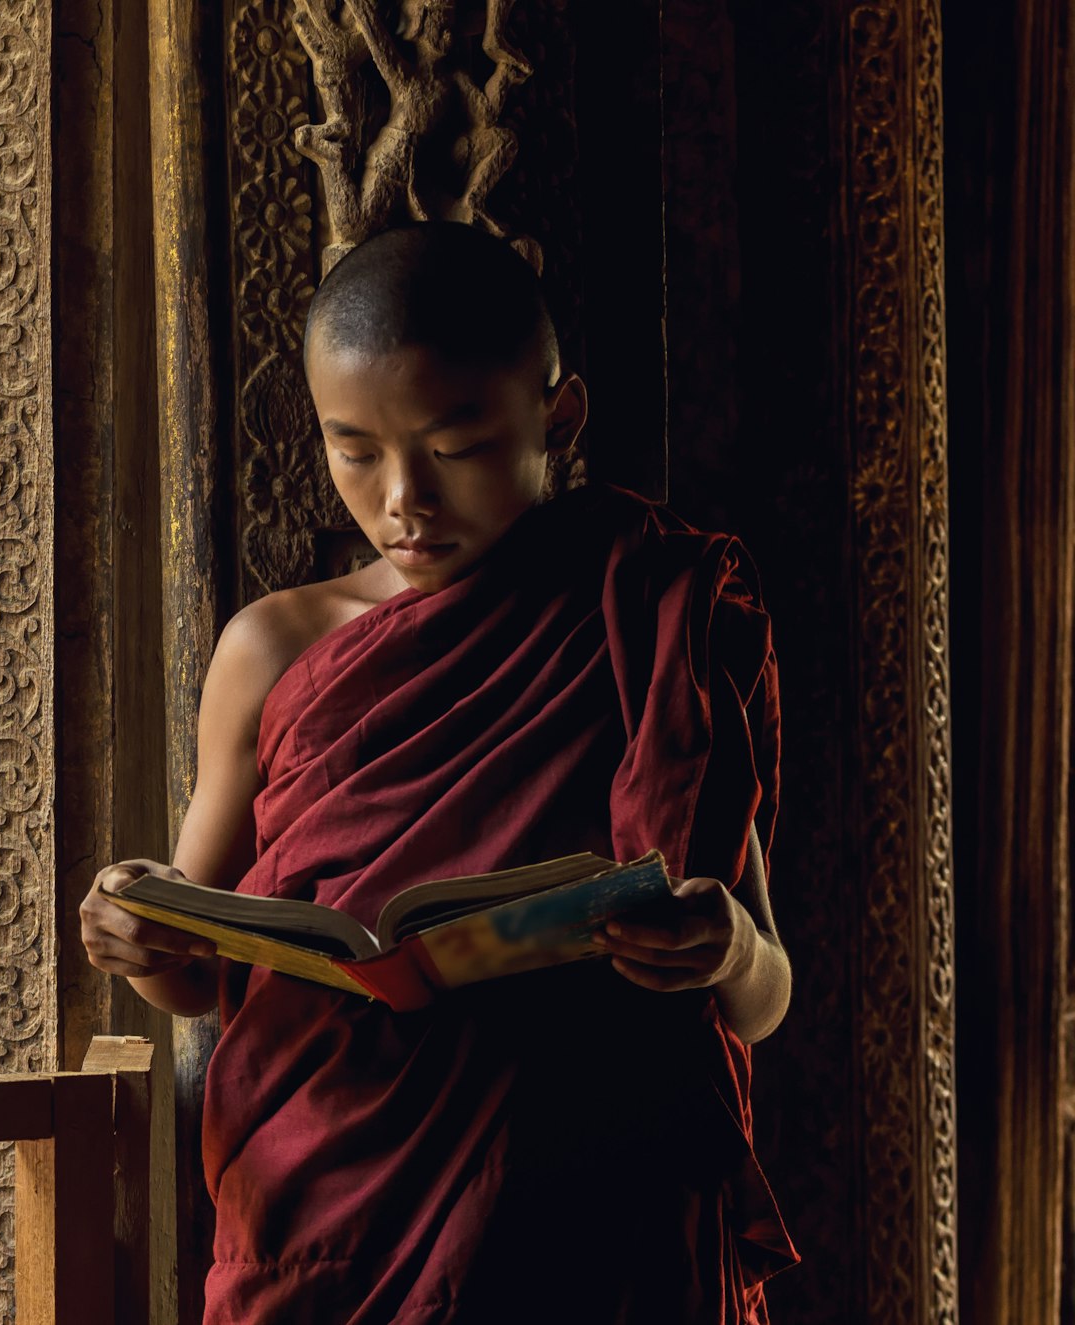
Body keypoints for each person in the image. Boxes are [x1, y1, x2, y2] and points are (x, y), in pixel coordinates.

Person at [80, 222, 799, 1323]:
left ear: (556, 417)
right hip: (319, 1202)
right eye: (353, 447)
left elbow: (760, 998)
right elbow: (194, 980)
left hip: (589, 1210)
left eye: (454, 445)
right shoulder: (272, 648)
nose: (402, 495)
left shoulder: (646, 606)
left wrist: (725, 946)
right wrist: (136, 941)